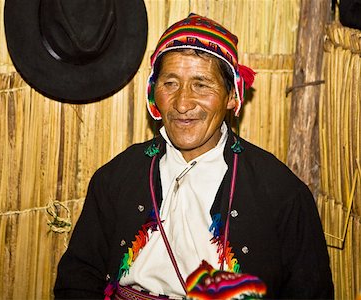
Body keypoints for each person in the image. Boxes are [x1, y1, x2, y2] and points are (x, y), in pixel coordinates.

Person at [54, 14, 334, 299]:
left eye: (201, 84)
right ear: (153, 93)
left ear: (232, 96)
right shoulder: (116, 178)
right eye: (170, 84)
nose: (183, 103)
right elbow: (78, 280)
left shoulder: (281, 193)